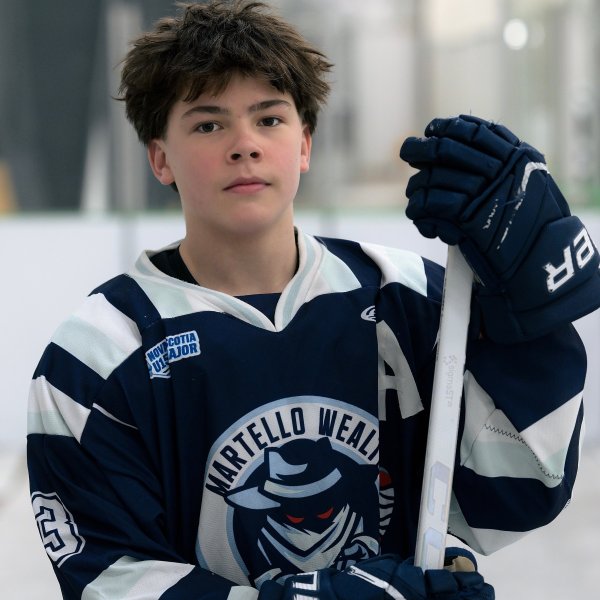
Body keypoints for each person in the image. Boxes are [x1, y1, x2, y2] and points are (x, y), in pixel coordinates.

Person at [27, 1, 600, 599]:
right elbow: (109, 579)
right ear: (160, 158)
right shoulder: (95, 357)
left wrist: (532, 312)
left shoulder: (408, 298)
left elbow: (514, 496)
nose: (244, 145)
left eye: (270, 118)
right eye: (208, 125)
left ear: (304, 143)